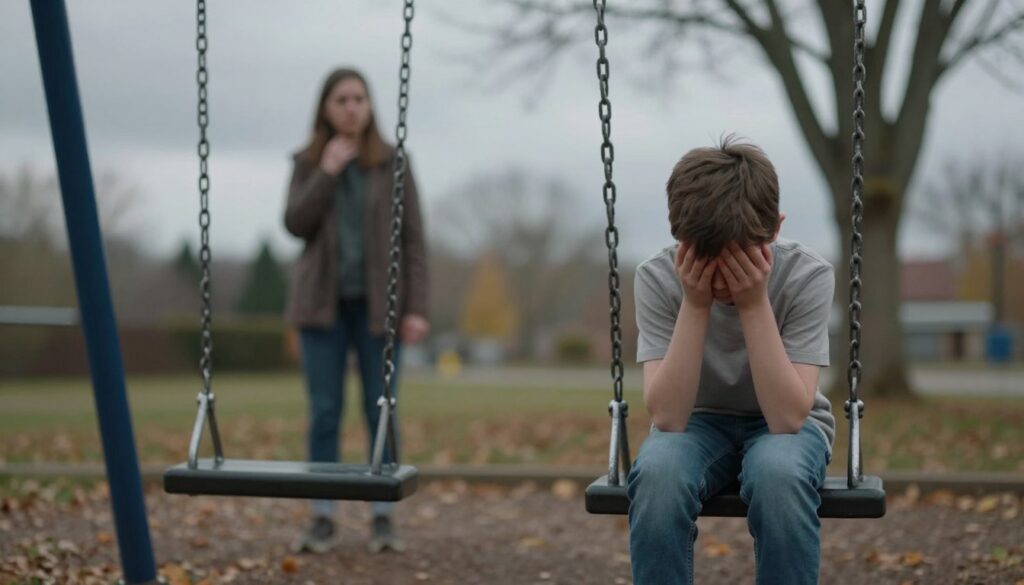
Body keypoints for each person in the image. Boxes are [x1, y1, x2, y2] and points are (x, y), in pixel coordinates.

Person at [627, 135, 835, 584]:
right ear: (678, 236)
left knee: (779, 474)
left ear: (775, 230)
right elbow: (667, 417)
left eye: (739, 257)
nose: (722, 275)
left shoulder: (807, 276)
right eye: (706, 258)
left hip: (788, 425)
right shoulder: (657, 278)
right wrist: (696, 304)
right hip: (696, 421)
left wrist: (754, 303)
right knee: (658, 475)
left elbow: (786, 419)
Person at [283, 67, 429, 554]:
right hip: (321, 307)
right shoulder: (307, 162)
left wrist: (416, 308)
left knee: (380, 409)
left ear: (369, 107)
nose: (351, 107)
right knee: (325, 413)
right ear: (326, 107)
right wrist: (326, 171)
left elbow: (414, 241)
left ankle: (382, 514)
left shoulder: (392, 162)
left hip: (378, 310)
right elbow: (295, 224)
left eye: (359, 99)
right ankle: (322, 516)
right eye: (342, 99)